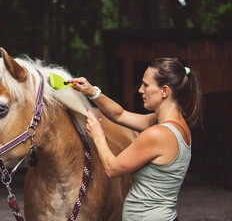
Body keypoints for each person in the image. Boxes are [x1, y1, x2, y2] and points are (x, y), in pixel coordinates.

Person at [68, 58, 202, 221]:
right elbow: (120, 115)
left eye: (146, 85)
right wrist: (92, 92)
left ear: (164, 91)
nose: (140, 90)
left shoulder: (158, 134)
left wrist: (98, 135)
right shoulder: (178, 126)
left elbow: (112, 168)